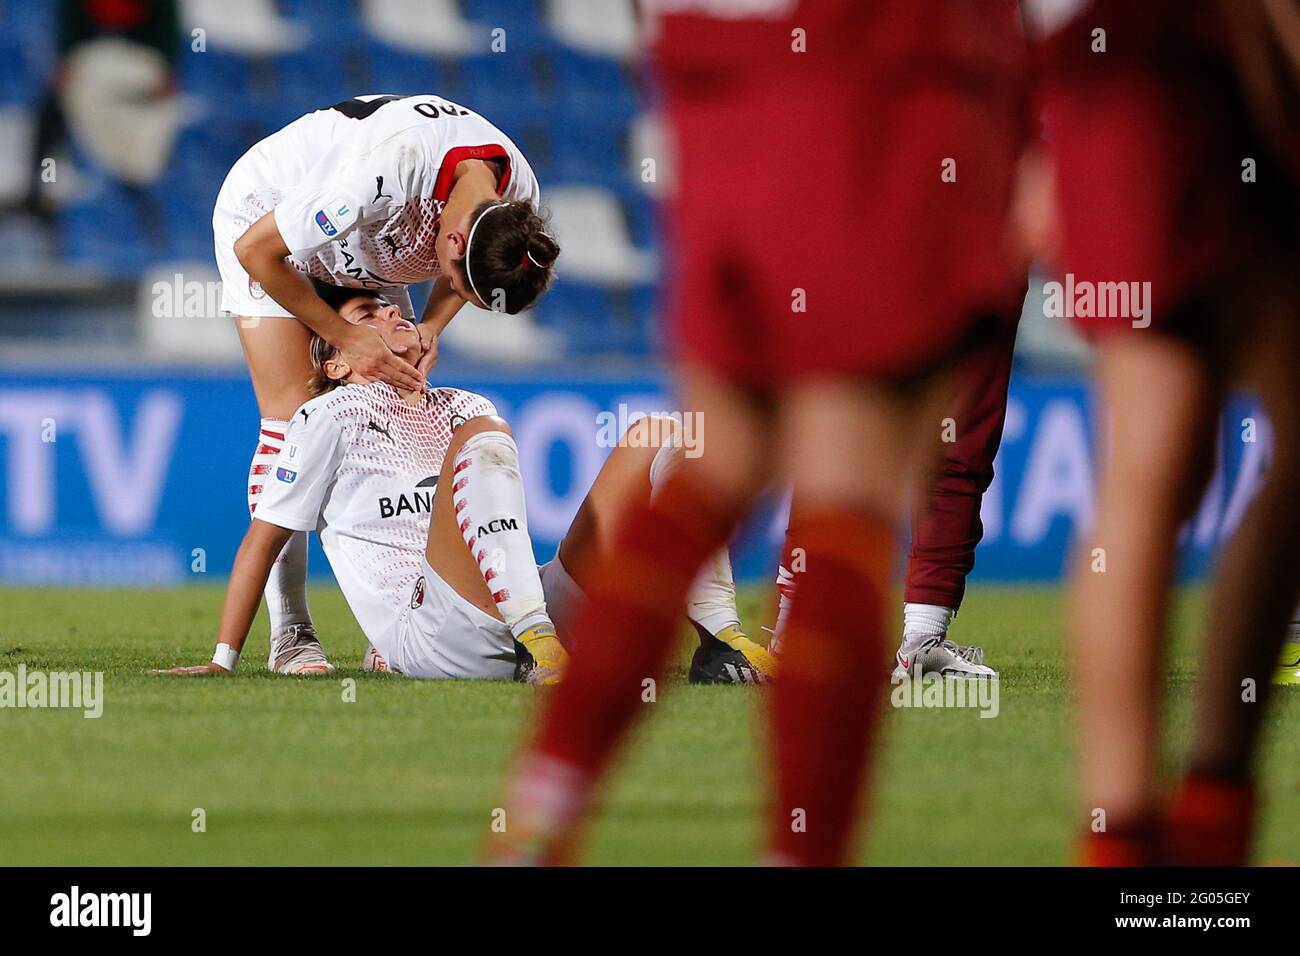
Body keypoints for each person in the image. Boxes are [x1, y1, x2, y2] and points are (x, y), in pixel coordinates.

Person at [490, 0, 1028, 865]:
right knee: (850, 481)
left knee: (720, 458)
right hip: (884, 66)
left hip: (718, 67)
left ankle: (540, 820)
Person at [153, 293, 770, 686]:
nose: (394, 313)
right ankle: (537, 645)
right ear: (337, 364)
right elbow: (263, 540)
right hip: (430, 632)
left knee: (665, 433)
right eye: (368, 316)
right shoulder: (326, 416)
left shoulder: (463, 404)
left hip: (520, 601)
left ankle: (719, 641)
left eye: (393, 309)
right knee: (484, 432)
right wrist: (223, 657)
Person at [1041, 0, 1300, 865]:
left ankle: (1156, 826)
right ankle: (1158, 824)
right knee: (1161, 457)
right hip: (1175, 75)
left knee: (1162, 460)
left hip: (1121, 78)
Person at [212, 92, 558, 673]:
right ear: (448, 242)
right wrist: (344, 337)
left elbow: (466, 277)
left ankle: (410, 611)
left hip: (367, 242)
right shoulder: (387, 172)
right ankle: (291, 631)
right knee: (292, 411)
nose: (450, 285)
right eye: (452, 278)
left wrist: (431, 324)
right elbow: (258, 253)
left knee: (391, 405)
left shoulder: (515, 205)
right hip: (271, 217)